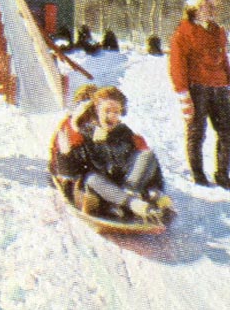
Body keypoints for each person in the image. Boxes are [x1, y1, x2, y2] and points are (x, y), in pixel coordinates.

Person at [49, 86, 171, 220]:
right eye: (107, 111)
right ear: (97, 111)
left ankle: (136, 198)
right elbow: (72, 173)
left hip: (126, 185)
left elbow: (143, 164)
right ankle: (131, 204)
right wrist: (65, 154)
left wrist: (153, 186)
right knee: (91, 179)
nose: (111, 116)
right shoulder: (87, 134)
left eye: (116, 112)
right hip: (102, 191)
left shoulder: (124, 133)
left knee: (147, 155)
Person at [169, 0, 230, 189]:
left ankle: (222, 174)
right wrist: (183, 93)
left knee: (229, 131)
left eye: (215, 7)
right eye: (208, 6)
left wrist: (229, 83)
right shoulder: (184, 32)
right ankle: (198, 174)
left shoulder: (218, 31)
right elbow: (177, 65)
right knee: (197, 132)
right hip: (197, 88)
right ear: (195, 7)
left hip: (219, 87)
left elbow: (223, 59)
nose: (213, 11)